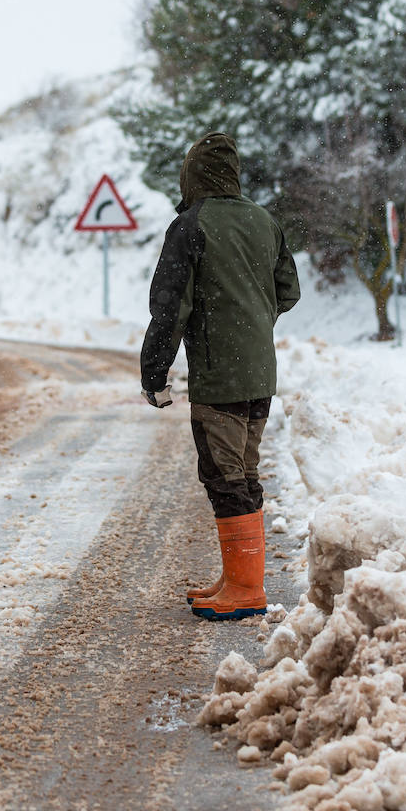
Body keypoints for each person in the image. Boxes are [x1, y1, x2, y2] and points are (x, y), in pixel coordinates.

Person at [140, 131, 300, 621]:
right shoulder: (264, 220)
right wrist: (251, 319)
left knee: (223, 474)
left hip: (218, 374)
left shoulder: (191, 225)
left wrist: (154, 373)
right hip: (259, 374)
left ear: (193, 177)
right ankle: (238, 579)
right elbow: (288, 290)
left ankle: (247, 589)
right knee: (243, 471)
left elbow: (169, 308)